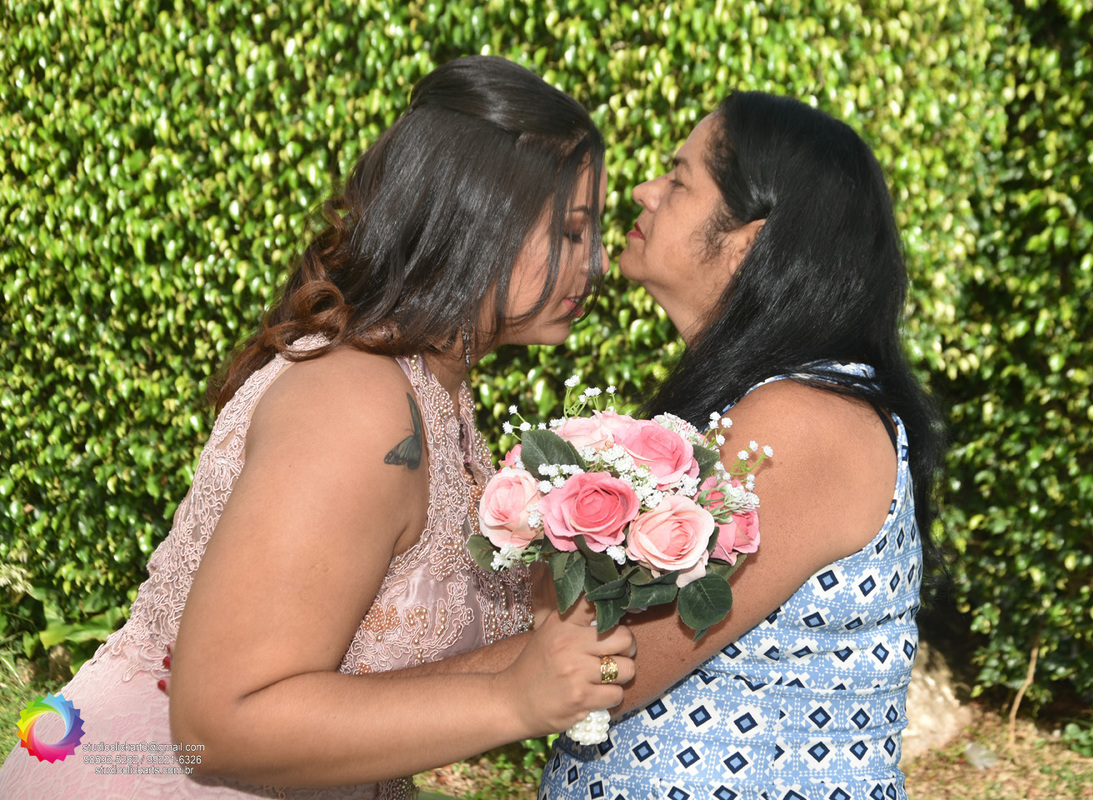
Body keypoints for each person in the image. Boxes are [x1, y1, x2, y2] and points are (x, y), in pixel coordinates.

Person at [0, 55, 637, 799]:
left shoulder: (436, 396)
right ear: (476, 218)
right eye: (568, 231)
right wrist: (513, 699)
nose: (594, 265)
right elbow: (220, 726)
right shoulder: (356, 402)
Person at [539, 92, 944, 800]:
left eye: (679, 177)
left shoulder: (798, 425)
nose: (643, 191)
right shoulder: (759, 403)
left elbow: (616, 671)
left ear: (747, 242)